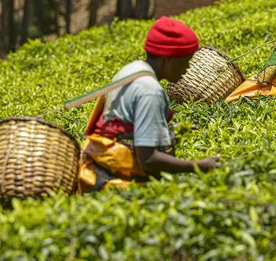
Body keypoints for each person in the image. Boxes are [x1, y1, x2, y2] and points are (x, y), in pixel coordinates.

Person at [78, 16, 221, 193]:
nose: (187, 68)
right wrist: (198, 165)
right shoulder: (150, 90)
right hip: (120, 182)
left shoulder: (131, 69)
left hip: (99, 166)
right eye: (186, 61)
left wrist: (167, 130)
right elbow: (149, 160)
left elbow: (127, 121)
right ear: (168, 59)